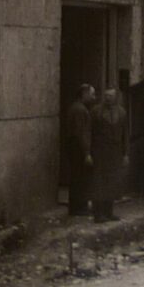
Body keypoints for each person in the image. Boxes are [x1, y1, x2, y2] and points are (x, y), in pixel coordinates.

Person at [90, 88, 129, 223]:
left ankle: (109, 212)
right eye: (106, 95)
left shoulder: (122, 112)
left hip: (115, 152)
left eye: (111, 96)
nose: (108, 98)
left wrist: (125, 153)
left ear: (116, 97)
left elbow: (125, 134)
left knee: (112, 182)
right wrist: (90, 152)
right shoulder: (96, 112)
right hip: (100, 152)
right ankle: (98, 214)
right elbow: (91, 133)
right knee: (99, 182)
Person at [65, 84, 95, 216]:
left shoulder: (76, 108)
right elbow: (80, 132)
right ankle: (78, 208)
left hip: (75, 146)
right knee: (80, 177)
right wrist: (87, 152)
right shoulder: (80, 110)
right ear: (84, 94)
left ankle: (77, 207)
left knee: (77, 177)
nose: (94, 98)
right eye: (92, 94)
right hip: (78, 148)